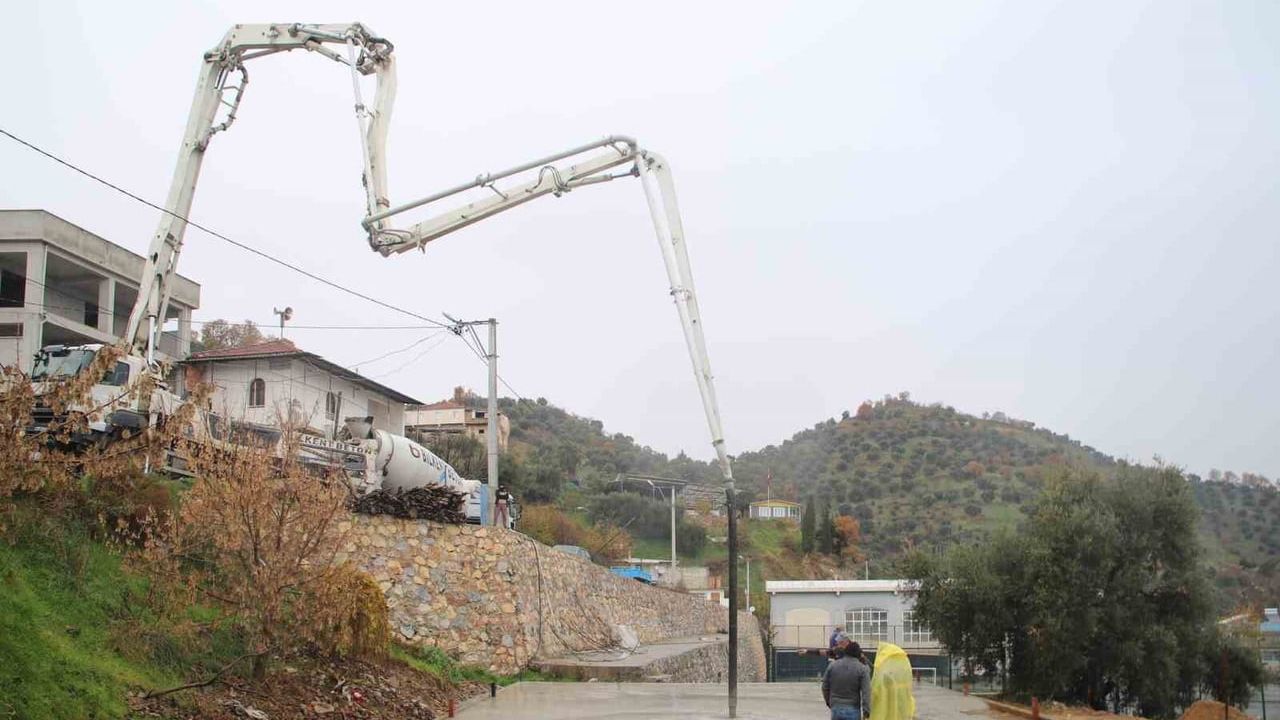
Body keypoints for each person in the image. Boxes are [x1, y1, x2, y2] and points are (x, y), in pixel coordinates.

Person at [822, 638, 871, 720]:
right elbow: (866, 692)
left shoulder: (832, 665)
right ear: (858, 654)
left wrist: (829, 702)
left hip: (836, 708)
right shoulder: (862, 669)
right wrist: (866, 712)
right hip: (853, 709)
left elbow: (825, 687)